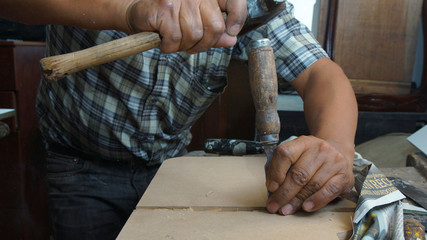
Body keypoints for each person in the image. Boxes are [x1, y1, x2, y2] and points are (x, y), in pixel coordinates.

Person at [1, 0, 358, 239]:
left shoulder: (249, 7)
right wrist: (131, 9)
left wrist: (336, 149)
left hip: (168, 169)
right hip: (78, 167)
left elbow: (321, 76)